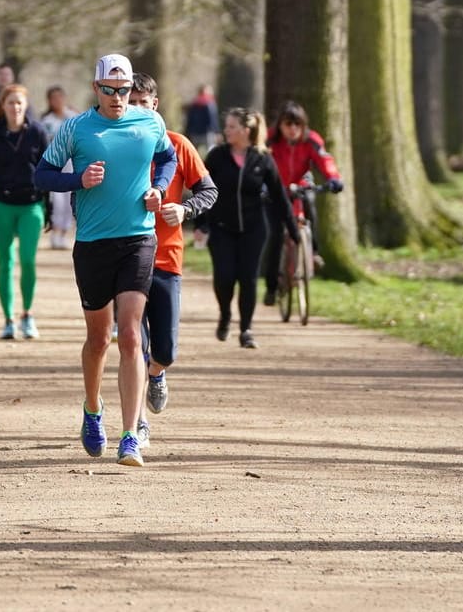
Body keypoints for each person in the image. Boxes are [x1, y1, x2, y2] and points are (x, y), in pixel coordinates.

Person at [32, 53, 177, 467]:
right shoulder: (76, 128)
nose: (118, 98)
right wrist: (78, 180)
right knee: (99, 340)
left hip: (138, 239)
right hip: (93, 243)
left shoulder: (150, 123)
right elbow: (41, 175)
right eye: (110, 91)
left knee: (130, 335)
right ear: (96, 88)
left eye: (125, 91)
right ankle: (93, 409)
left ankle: (131, 434)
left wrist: (160, 190)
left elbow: (167, 158)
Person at [127, 73, 217, 430]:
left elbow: (208, 191)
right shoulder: (112, 145)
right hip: (127, 258)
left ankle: (157, 373)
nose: (134, 109)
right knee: (133, 343)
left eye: (141, 103)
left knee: (165, 350)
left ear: (154, 105)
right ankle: (137, 423)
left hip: (167, 257)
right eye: (129, 102)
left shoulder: (177, 145)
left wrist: (185, 210)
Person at [201, 107, 299, 350]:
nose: (227, 131)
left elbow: (279, 196)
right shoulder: (216, 156)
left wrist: (293, 229)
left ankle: (246, 329)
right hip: (221, 227)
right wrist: (201, 223)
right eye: (227, 126)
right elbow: (201, 190)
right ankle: (225, 314)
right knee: (224, 278)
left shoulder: (263, 158)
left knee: (248, 279)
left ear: (247, 130)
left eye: (232, 127)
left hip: (254, 229)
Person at [0, 84, 50, 340]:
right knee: (5, 263)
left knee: (28, 260)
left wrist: (47, 206)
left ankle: (27, 314)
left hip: (31, 204)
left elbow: (47, 170)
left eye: (19, 103)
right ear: (2, 107)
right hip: (0, 205)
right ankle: (8, 319)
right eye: (10, 103)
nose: (15, 108)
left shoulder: (38, 132)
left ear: (26, 106)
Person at [264, 101, 344, 305]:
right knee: (274, 235)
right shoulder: (270, 141)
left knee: (310, 203)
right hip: (275, 191)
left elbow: (325, 160)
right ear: (280, 125)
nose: (292, 129)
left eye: (297, 125)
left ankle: (314, 251)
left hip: (300, 185)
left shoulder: (311, 140)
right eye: (288, 124)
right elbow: (259, 162)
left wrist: (333, 179)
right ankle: (271, 286)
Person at [37, 86, 76, 250]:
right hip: (55, 165)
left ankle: (63, 233)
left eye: (60, 97)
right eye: (54, 98)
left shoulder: (74, 117)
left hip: (73, 165)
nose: (57, 101)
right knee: (57, 202)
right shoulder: (46, 121)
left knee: (69, 202)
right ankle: (55, 232)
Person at [182, 85, 219, 149]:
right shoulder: (210, 103)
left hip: (195, 133)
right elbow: (213, 120)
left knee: (194, 153)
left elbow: (189, 120)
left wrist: (187, 132)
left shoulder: (194, 104)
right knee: (211, 153)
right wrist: (216, 132)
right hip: (207, 134)